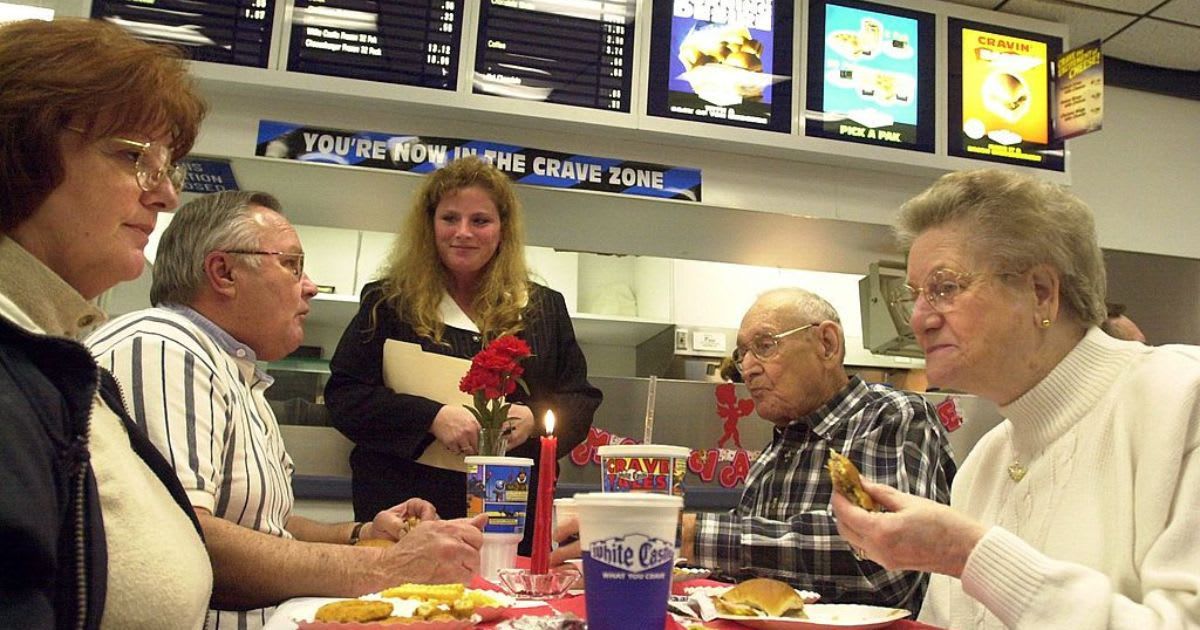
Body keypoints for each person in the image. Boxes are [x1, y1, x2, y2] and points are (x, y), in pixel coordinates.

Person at [87, 191, 486, 629]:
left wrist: (361, 535)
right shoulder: (164, 345)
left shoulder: (235, 372)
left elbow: (261, 526)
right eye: (292, 265)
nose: (310, 284)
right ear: (223, 272)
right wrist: (385, 570)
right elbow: (185, 536)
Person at [831, 168, 1200, 629]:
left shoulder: (1182, 399)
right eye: (915, 296)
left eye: (945, 288)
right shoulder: (985, 461)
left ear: (1041, 293)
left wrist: (968, 553)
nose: (919, 319)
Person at [0, 18, 211, 629]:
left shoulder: (60, 354)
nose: (167, 195)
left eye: (169, 167)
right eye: (133, 158)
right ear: (20, 149)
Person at [325, 156, 602, 554]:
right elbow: (344, 397)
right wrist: (431, 417)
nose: (463, 233)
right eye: (450, 218)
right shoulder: (387, 302)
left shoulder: (542, 308)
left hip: (510, 518)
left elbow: (579, 399)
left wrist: (535, 418)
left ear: (502, 229)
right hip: (406, 507)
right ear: (430, 225)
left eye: (480, 221)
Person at [679, 287, 956, 614]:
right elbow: (752, 575)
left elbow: (887, 565)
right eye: (742, 354)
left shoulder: (891, 415)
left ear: (827, 344)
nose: (748, 368)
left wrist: (690, 534)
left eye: (765, 346)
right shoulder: (773, 453)